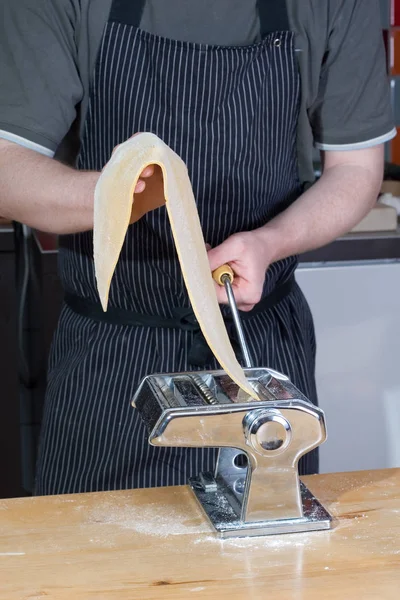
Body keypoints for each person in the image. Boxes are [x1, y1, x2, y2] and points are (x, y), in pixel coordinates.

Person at [0, 0, 394, 495]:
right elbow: (7, 167)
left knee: (270, 559)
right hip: (110, 359)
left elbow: (356, 170)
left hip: (258, 351)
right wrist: (121, 194)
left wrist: (271, 243)